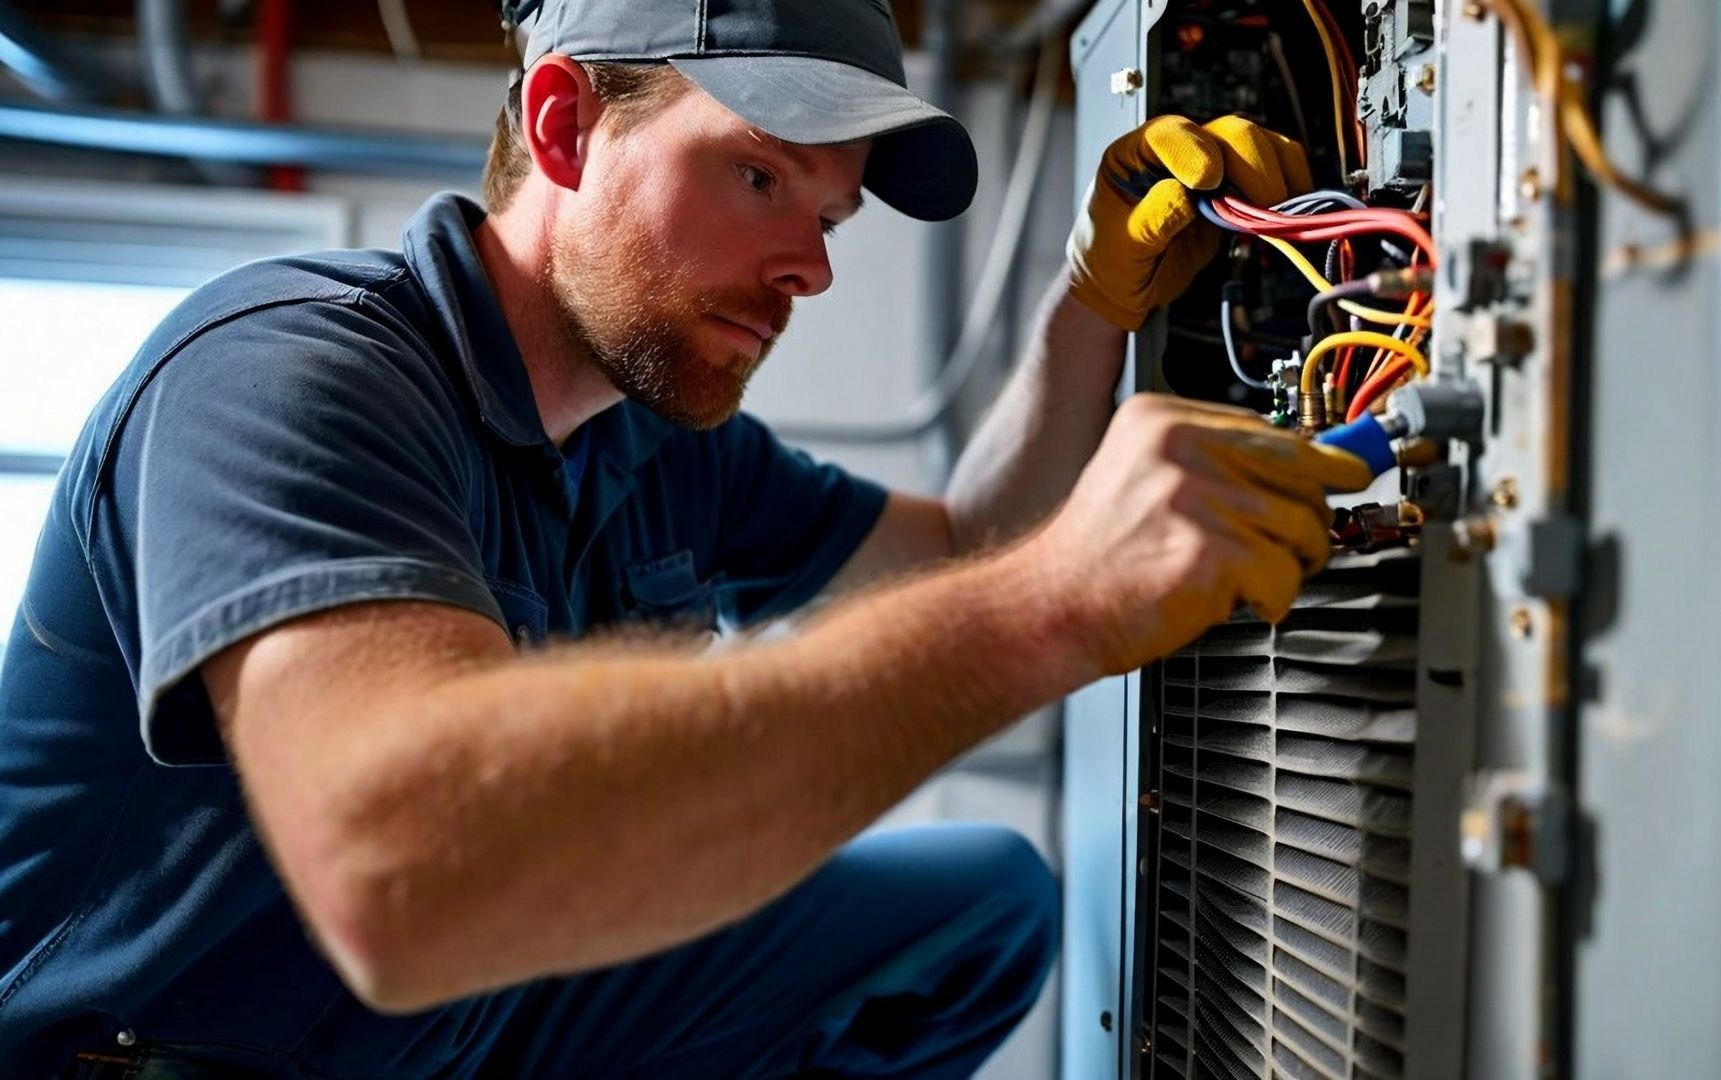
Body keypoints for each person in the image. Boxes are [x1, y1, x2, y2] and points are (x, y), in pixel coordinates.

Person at [0, 0, 1366, 1075]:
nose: (813, 267)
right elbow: (400, 872)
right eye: (760, 177)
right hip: (162, 1057)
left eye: (827, 215)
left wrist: (1091, 298)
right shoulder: (287, 370)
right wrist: (1041, 618)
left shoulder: (655, 444)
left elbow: (971, 542)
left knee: (979, 909)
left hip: (452, 1038)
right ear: (562, 125)